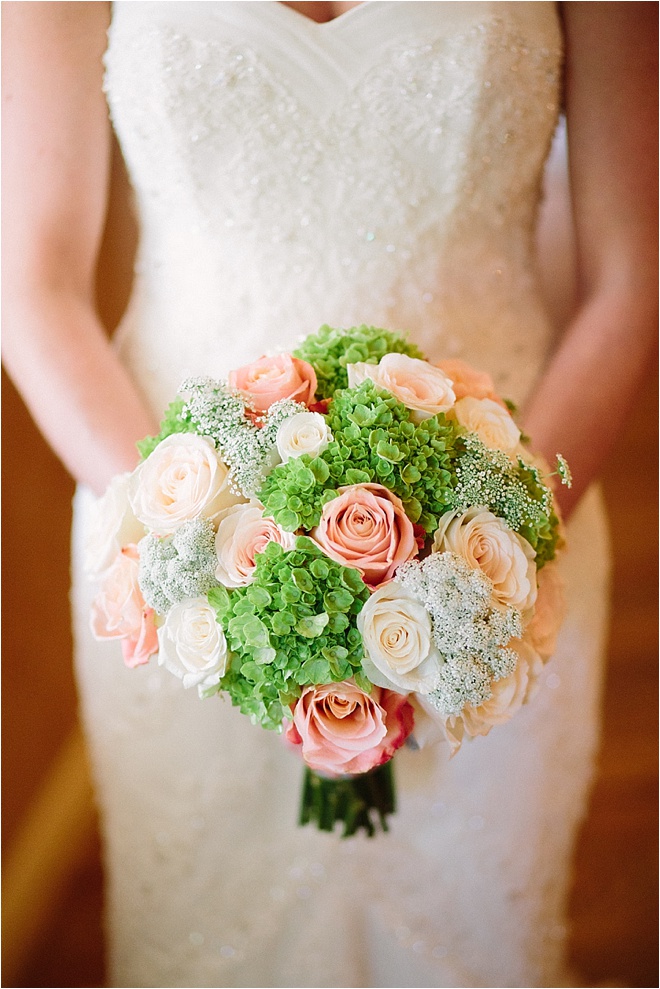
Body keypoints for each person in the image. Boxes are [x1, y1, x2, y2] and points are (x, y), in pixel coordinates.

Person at [3, 2, 656, 987]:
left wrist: (484, 566)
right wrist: (189, 560)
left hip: (505, 542)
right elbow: (31, 287)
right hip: (165, 540)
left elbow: (631, 276)